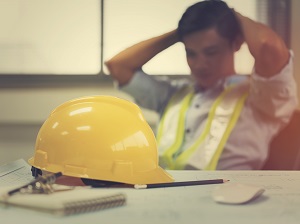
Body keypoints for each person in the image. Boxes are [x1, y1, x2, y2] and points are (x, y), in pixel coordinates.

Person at [105, 0, 298, 170]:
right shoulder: (173, 94)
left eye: (211, 52)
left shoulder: (261, 97)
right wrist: (180, 33)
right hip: (162, 195)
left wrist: (233, 17)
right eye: (191, 53)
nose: (200, 64)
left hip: (228, 202)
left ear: (237, 43)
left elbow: (267, 46)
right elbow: (118, 66)